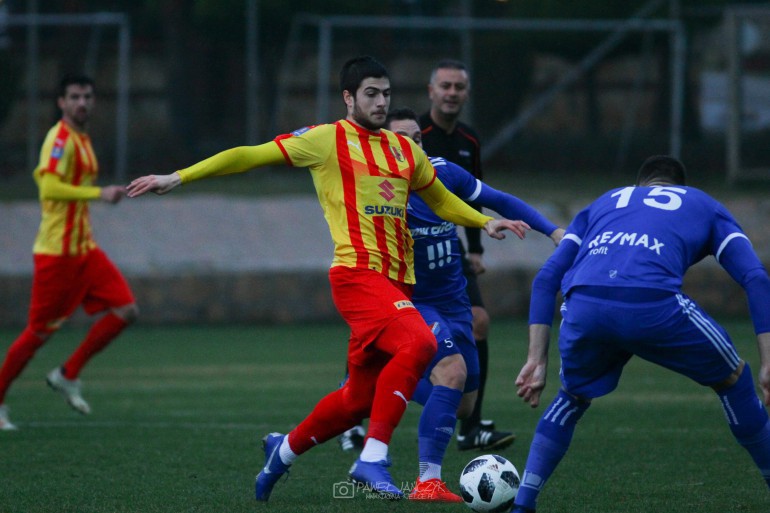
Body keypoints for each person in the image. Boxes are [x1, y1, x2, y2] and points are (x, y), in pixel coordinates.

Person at [125, 56, 527, 501]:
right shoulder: (326, 140)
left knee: (357, 397)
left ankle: (282, 452)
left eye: (386, 93)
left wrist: (483, 222)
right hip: (357, 275)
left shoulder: (404, 150)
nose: (380, 102)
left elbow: (441, 199)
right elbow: (248, 156)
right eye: (371, 94)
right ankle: (372, 458)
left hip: (398, 285)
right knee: (421, 343)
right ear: (349, 98)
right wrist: (177, 177)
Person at [511, 156, 770, 512]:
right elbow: (755, 278)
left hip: (585, 305)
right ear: (680, 185)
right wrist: (768, 361)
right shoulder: (703, 203)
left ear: (639, 184)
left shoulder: (603, 202)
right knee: (734, 380)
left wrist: (535, 361)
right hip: (651, 303)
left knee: (571, 395)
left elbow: (545, 279)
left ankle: (523, 504)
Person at [384, 108, 563, 502]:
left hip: (454, 299)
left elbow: (497, 199)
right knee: (451, 373)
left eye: (416, 139)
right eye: (400, 139)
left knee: (463, 405)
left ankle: (385, 378)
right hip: (413, 302)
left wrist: (553, 230)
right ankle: (427, 481)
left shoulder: (443, 173)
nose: (411, 147)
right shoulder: (376, 190)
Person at [0, 74, 138, 431]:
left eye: (87, 96)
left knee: (125, 309)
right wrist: (98, 194)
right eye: (74, 97)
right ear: (61, 102)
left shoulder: (82, 138)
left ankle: (68, 373)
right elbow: (48, 185)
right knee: (37, 334)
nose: (82, 103)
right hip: (57, 254)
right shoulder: (59, 139)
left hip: (84, 249)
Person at [418, 59, 513, 451]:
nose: (452, 93)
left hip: (451, 242)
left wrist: (475, 249)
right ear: (431, 91)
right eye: (445, 86)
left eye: (459, 86)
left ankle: (469, 425)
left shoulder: (469, 140)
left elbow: (474, 195)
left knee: (480, 320)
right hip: (410, 246)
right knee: (384, 332)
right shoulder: (414, 133)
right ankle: (357, 409)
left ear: (466, 93)